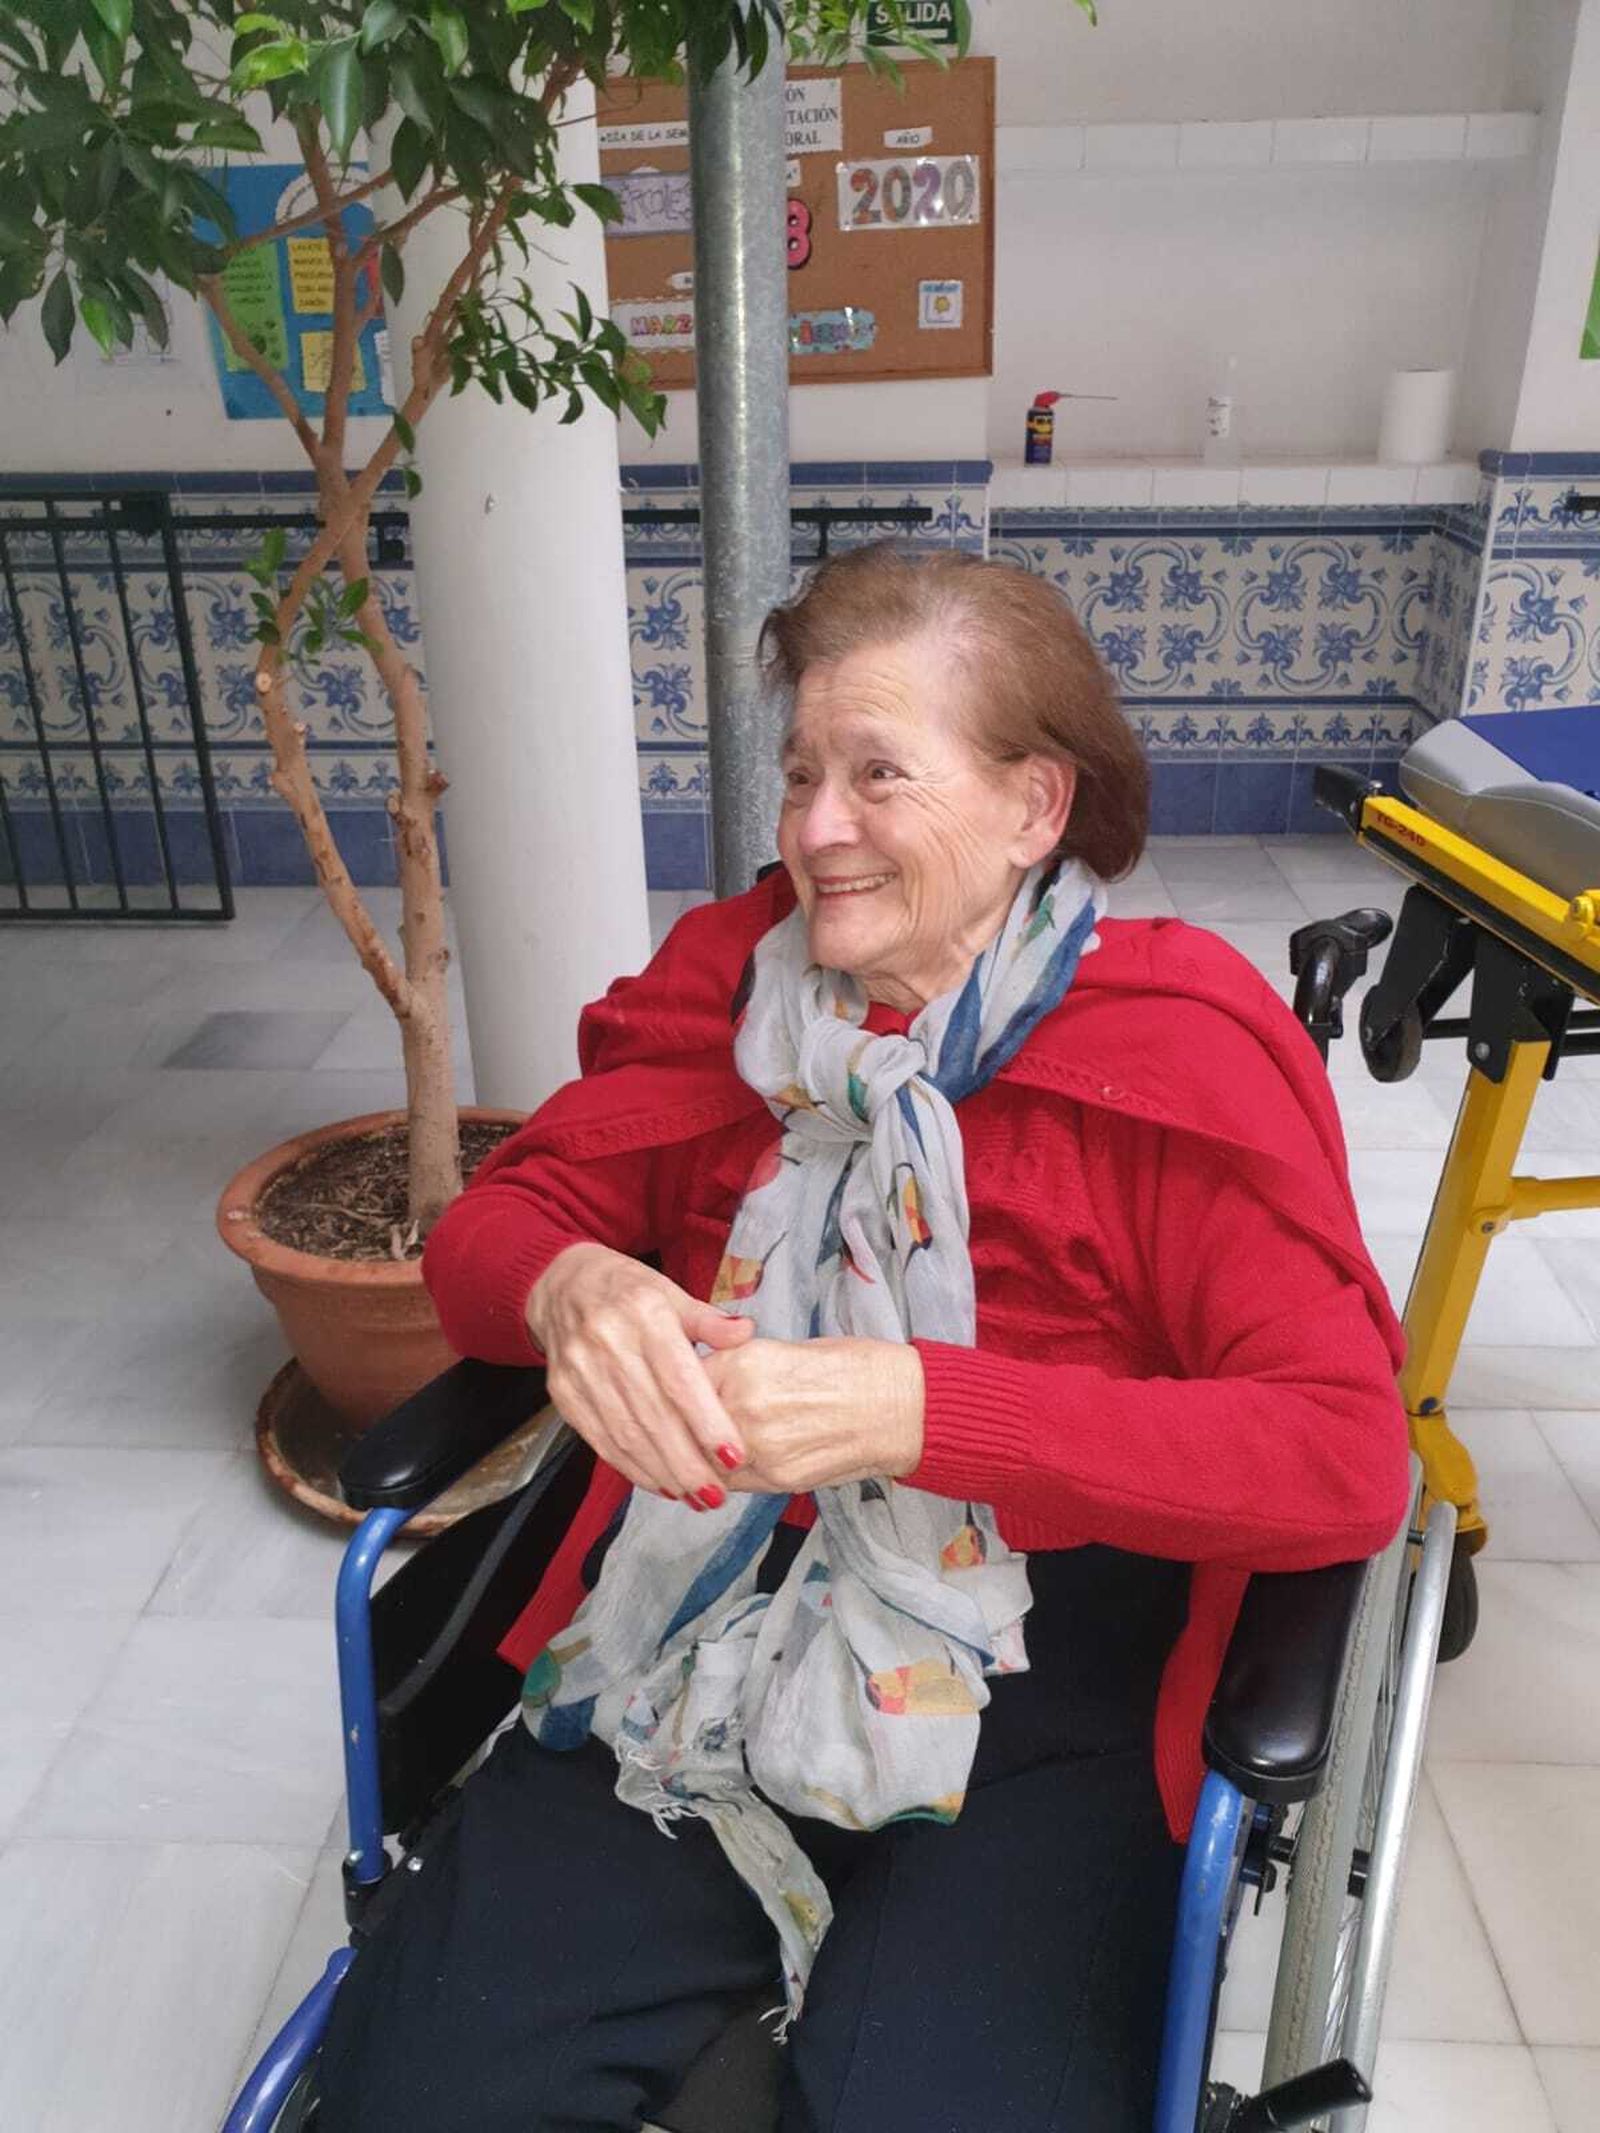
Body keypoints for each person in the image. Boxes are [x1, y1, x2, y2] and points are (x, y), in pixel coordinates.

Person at [314, 544, 1409, 2133]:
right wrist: (571, 1286)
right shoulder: (730, 991)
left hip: (1044, 1660)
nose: (816, 827)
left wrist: (922, 1407)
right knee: (415, 2091)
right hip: (697, 1614)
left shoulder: (1167, 1050)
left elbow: (1339, 1450)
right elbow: (502, 1218)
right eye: (803, 772)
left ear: (1036, 807)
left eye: (879, 774)